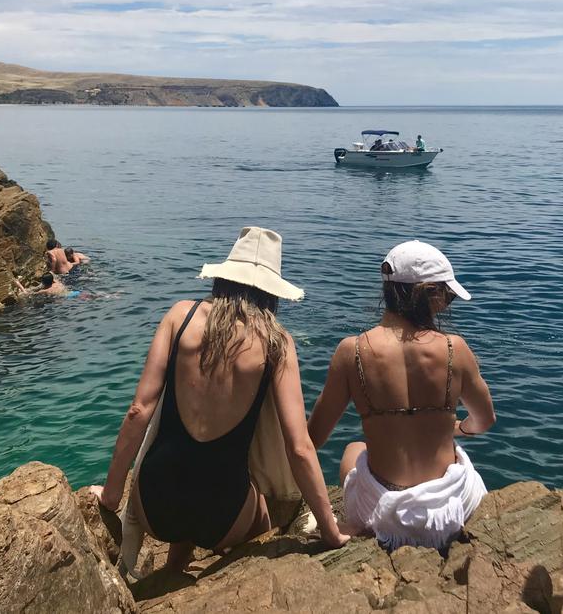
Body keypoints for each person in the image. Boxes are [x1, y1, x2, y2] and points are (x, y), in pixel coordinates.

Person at [91, 226, 349, 571]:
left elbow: (138, 411)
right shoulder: (276, 342)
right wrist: (331, 531)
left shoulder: (179, 316)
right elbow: (299, 446)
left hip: (156, 505)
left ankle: (173, 569)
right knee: (281, 513)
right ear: (272, 292)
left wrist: (111, 496)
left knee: (185, 474)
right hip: (223, 517)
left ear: (224, 278)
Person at [308, 240, 495, 552]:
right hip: (450, 509)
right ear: (431, 294)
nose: (447, 305)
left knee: (354, 449)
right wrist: (459, 429)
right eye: (447, 297)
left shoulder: (350, 351)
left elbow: (312, 438)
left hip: (381, 515)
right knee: (456, 455)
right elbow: (485, 420)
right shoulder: (455, 348)